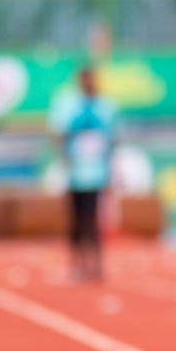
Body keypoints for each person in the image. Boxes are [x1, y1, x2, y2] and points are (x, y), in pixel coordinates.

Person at [50, 66, 116, 282]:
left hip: (97, 174)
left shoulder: (106, 107)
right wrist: (65, 159)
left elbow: (112, 139)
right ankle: (77, 264)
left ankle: (96, 265)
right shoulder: (68, 106)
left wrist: (110, 168)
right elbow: (59, 135)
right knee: (76, 220)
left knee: (93, 219)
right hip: (75, 173)